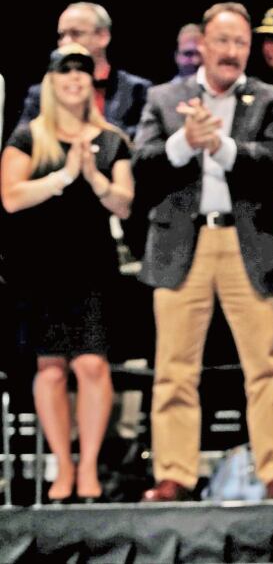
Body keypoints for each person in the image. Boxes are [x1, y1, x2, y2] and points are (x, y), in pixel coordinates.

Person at [132, 2, 273, 501]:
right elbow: (142, 165)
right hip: (180, 244)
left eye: (240, 44)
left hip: (248, 242)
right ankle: (174, 475)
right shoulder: (164, 98)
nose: (231, 52)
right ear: (202, 44)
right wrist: (186, 140)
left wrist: (223, 147)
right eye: (222, 41)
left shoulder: (270, 100)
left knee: (267, 365)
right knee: (173, 369)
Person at [1, 44, 134, 503]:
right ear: (52, 81)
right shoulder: (28, 137)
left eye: (82, 71)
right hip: (41, 268)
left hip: (92, 267)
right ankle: (63, 464)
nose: (74, 79)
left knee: (92, 365)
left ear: (93, 82)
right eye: (65, 72)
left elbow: (124, 202)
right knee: (52, 369)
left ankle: (90, 466)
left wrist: (93, 176)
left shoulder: (112, 139)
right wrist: (63, 176)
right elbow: (11, 197)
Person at [18, 2, 151, 137]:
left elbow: (140, 145)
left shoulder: (136, 90)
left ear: (103, 37)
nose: (66, 42)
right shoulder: (40, 93)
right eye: (62, 35)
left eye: (76, 34)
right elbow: (22, 142)